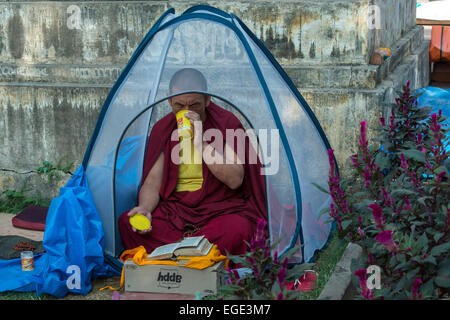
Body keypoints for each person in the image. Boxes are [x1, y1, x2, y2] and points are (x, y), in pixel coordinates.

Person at [118, 68, 267, 257]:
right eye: (179, 105)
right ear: (169, 100)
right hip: (177, 214)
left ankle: (175, 253)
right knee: (127, 222)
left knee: (239, 229)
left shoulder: (226, 123)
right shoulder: (162, 129)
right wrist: (145, 209)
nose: (186, 112)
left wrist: (201, 142)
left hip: (219, 212)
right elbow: (152, 182)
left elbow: (235, 179)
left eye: (195, 105)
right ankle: (194, 251)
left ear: (207, 100)